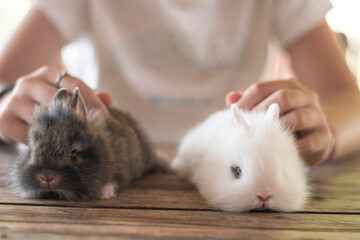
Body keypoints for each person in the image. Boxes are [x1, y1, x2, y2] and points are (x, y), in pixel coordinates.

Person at [0, 0, 359, 166]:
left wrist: (321, 131)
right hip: (106, 176)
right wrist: (7, 102)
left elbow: (349, 101)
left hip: (231, 172)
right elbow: (5, 82)